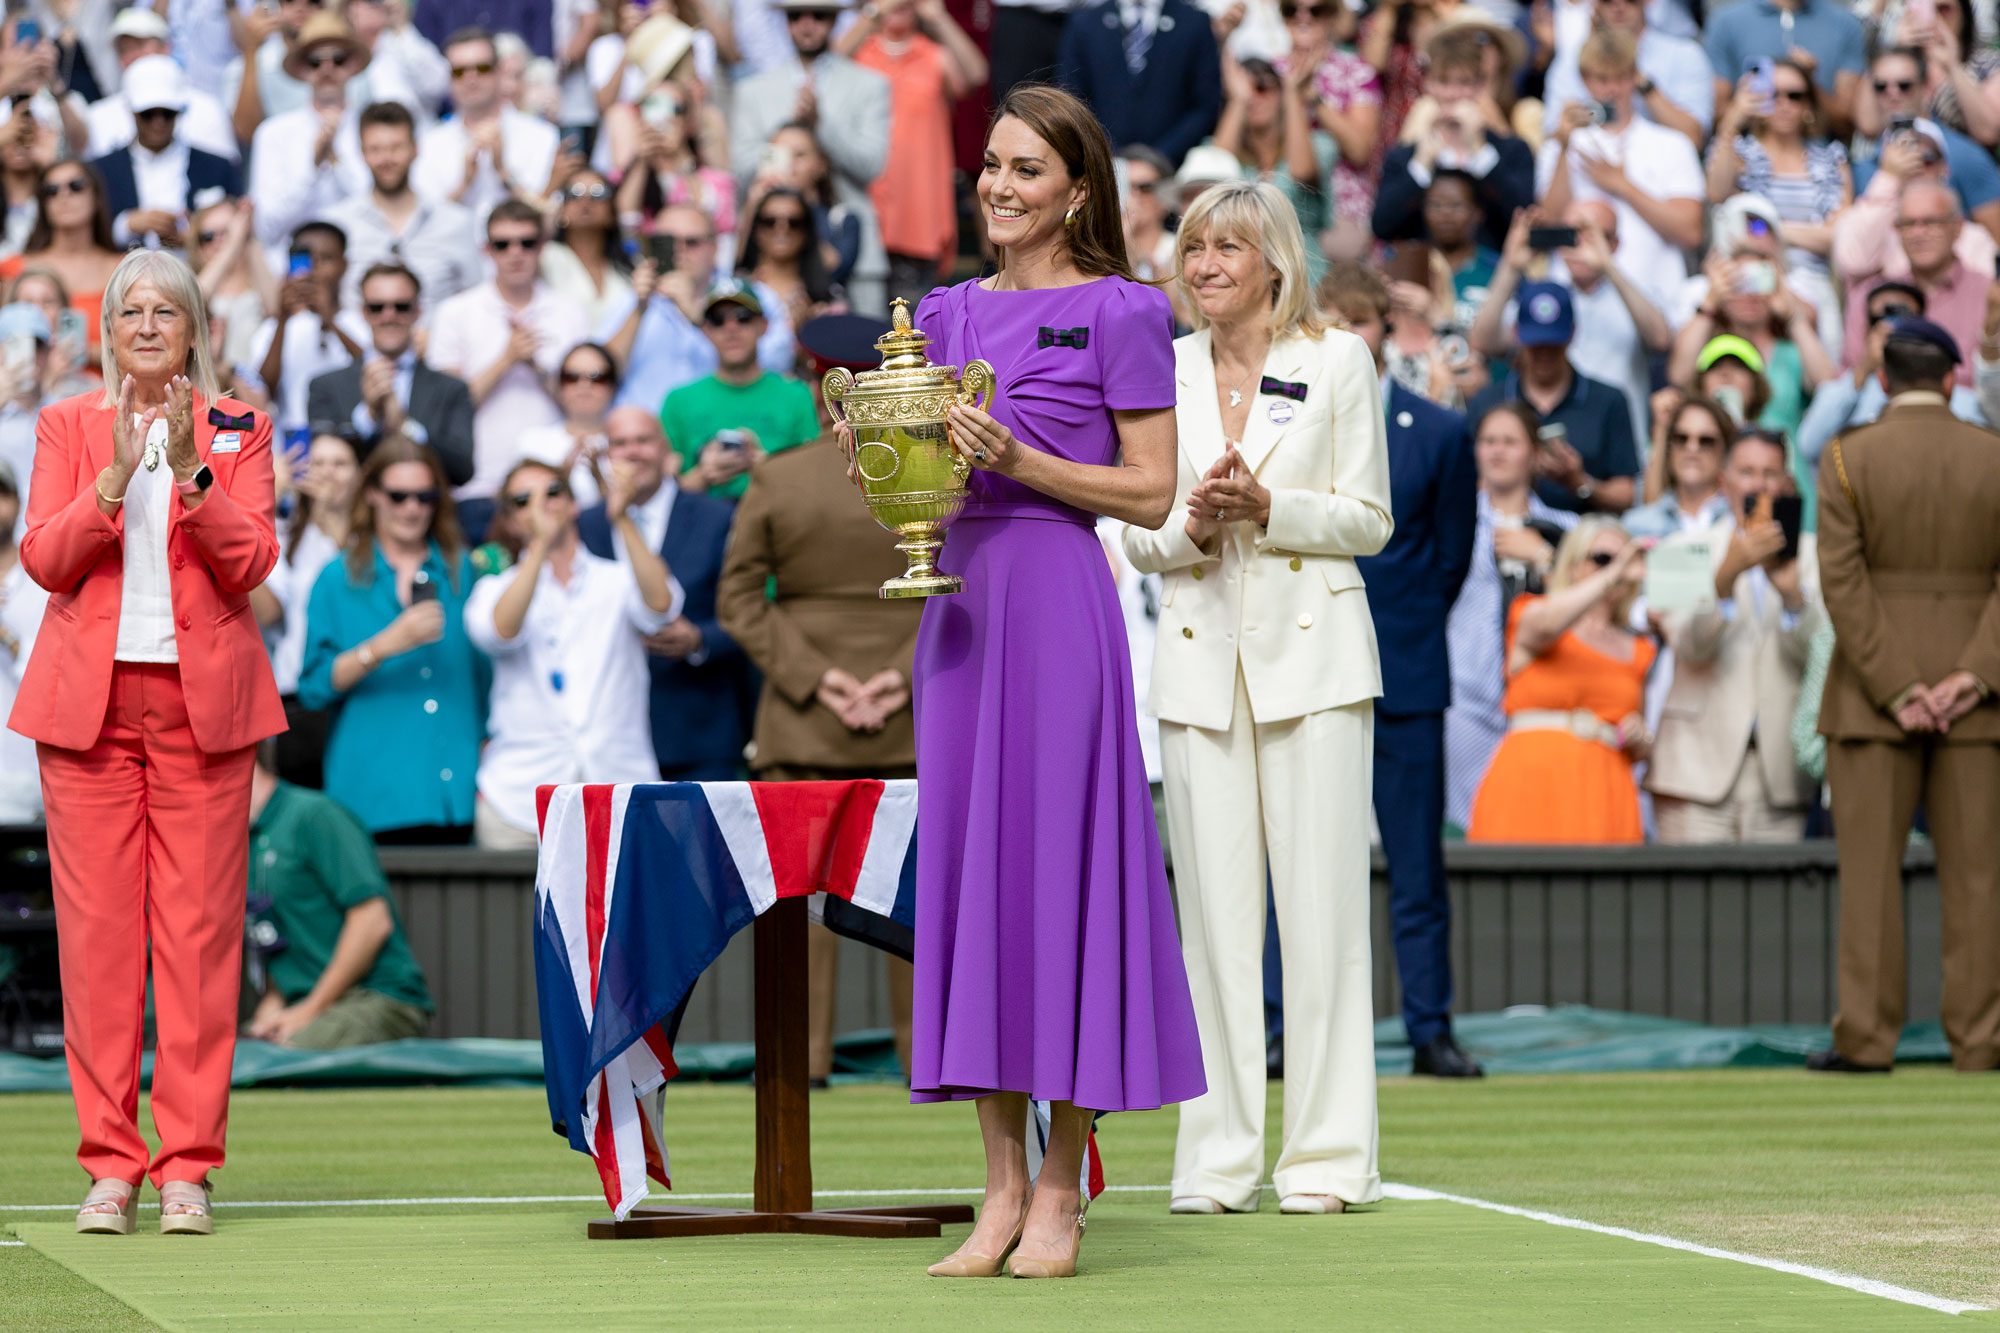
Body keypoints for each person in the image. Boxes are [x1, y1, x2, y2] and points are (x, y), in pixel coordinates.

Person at [886, 84, 1201, 1280]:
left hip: (1062, 604)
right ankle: (998, 1186)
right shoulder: (946, 311)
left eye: (1026, 170)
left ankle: (1064, 1183)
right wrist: (915, 478)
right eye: (990, 167)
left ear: (1078, 187)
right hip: (956, 607)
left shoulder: (1124, 309)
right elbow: (920, 480)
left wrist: (1019, 456)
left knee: (1066, 878)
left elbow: (1149, 491)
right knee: (973, 886)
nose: (1000, 188)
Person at [1123, 181, 1389, 1214]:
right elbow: (1134, 532)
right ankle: (1217, 1159)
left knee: (1321, 921)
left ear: (1274, 262)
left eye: (1226, 247)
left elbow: (1369, 518)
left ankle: (1325, 1160)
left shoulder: (1337, 359)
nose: (1205, 267)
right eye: (1192, 248)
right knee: (1213, 933)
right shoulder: (1163, 367)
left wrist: (1270, 507)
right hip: (1198, 665)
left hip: (1315, 663)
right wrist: (1190, 524)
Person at [10, 248, 284, 1236]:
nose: (149, 324)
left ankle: (187, 1167)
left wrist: (196, 473)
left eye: (168, 309)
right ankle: (111, 1165)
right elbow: (43, 557)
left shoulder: (239, 426)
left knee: (201, 943)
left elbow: (253, 557)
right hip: (88, 710)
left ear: (196, 325)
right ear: (109, 327)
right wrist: (117, 478)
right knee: (95, 949)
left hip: (200, 707)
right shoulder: (65, 424)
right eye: (132, 309)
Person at [718, 311, 921, 1080]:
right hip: (912, 718)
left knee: (800, 905)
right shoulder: (927, 468)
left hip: (804, 723)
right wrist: (901, 675)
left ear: (816, 383)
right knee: (915, 900)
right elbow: (963, 588)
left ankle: (800, 1062)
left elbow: (737, 600)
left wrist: (816, 679)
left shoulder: (779, 475)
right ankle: (923, 1057)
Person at [1811, 318, 2000, 1074]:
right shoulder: (1992, 456)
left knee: (1868, 880)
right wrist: (1972, 675)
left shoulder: (1847, 457)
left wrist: (1898, 684)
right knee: (1981, 879)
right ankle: (1982, 1042)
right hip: (1977, 702)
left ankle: (1865, 1037)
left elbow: (1842, 584)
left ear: (1882, 379)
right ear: (1952, 379)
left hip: (1870, 697)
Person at [1326, 263, 1481, 1077]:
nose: (1352, 337)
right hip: (1313, 669)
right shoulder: (1296, 427)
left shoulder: (1443, 432)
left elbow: (1450, 559)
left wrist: (1403, 635)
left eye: (1364, 321)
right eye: (1335, 322)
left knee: (1417, 865)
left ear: (1388, 329)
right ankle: (1284, 1034)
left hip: (1408, 673)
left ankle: (1430, 1028)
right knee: (1303, 863)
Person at [464, 455, 685, 848]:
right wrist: (538, 546)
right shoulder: (493, 589)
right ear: (510, 520)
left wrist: (621, 519)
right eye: (522, 500)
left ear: (573, 503)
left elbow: (662, 606)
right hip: (520, 800)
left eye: (552, 492)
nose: (541, 505)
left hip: (621, 791)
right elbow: (501, 630)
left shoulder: (616, 579)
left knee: (624, 911)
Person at [297, 435, 485, 844]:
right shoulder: (336, 578)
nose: (412, 508)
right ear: (373, 496)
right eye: (399, 496)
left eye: (424, 496)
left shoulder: (463, 571)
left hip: (456, 792)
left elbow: (487, 677)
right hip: (371, 797)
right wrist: (383, 646)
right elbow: (312, 687)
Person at [1647, 430, 1822, 843]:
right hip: (1693, 772)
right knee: (1687, 905)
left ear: (1787, 484)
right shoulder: (1679, 548)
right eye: (1747, 472)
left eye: (1770, 473)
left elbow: (1823, 657)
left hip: (1780, 776)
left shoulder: (1816, 555)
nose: (1759, 484)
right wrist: (1724, 579)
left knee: (1776, 908)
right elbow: (1689, 647)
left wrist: (1792, 594)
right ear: (1724, 483)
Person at [577, 407, 749, 782]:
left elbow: (750, 611)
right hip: (607, 742)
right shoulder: (585, 525)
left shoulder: (717, 516)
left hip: (697, 730)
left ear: (666, 449)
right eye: (620, 444)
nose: (632, 452)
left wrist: (700, 639)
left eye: (643, 440)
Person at [1465, 519, 1654, 843]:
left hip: (1605, 789)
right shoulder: (1534, 612)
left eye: (1626, 560)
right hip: (1531, 781)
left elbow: (1637, 729)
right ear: (1574, 565)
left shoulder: (1640, 648)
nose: (1617, 569)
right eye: (1603, 559)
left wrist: (1640, 740)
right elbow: (1546, 624)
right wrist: (1612, 576)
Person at [243, 743, 435, 1048]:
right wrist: (276, 1003)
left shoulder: (314, 815)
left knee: (281, 1059)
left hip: (379, 999)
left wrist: (308, 1009)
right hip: (309, 1007)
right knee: (231, 1061)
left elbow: (372, 921)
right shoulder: (240, 837)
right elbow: (281, 932)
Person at [1444, 402, 1579, 830]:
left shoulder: (1566, 527)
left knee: (1535, 824)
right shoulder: (1450, 519)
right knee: (1467, 823)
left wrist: (1544, 556)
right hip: (1467, 694)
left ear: (1534, 454)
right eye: (1488, 441)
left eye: (1510, 441)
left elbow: (1594, 604)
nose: (1498, 452)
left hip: (1541, 701)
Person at [427, 200, 590, 513]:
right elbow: (444, 411)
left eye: (527, 243)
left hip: (552, 480)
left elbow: (584, 405)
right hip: (478, 483)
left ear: (542, 247)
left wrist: (536, 367)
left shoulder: (570, 312)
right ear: (487, 250)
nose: (516, 253)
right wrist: (507, 359)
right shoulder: (456, 312)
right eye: (503, 244)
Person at [729, 0, 891, 315]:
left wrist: (822, 126)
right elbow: (742, 168)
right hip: (773, 250)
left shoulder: (870, 84)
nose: (807, 24)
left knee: (869, 355)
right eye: (795, 15)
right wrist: (787, 148)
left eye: (819, 15)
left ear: (834, 21)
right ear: (784, 22)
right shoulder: (753, 90)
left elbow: (872, 164)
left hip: (855, 255)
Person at [1473, 203, 1669, 449]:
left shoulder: (1633, 293)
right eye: (1572, 235)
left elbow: (1660, 339)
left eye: (1597, 236)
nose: (1583, 245)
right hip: (1548, 443)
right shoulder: (1546, 295)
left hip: (1617, 446)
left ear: (1615, 243)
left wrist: (1608, 266)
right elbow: (1483, 341)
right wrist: (1510, 266)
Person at [1538, 29, 1703, 318]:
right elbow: (1549, 225)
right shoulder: (1561, 144)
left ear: (1634, 78)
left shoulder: (1672, 144)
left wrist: (1621, 184)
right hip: (1577, 306)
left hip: (1655, 302)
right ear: (1585, 80)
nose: (1611, 89)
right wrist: (1564, 147)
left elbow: (1690, 232)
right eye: (1601, 79)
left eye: (1620, 77)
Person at [841, 0, 987, 307]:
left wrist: (939, 18)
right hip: (867, 213)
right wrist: (874, 13)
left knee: (913, 339)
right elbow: (827, 66)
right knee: (863, 338)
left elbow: (975, 74)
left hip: (918, 219)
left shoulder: (932, 54)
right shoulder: (860, 53)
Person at [600, 203, 799, 416]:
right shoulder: (630, 300)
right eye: (667, 243)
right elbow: (598, 375)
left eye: (691, 242)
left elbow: (777, 363)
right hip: (646, 439)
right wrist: (639, 310)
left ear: (715, 248)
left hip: (727, 428)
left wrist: (699, 316)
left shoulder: (754, 295)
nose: (679, 252)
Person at [1705, 59, 1851, 343]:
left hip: (1811, 282)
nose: (1783, 103)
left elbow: (1839, 234)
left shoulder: (1832, 158)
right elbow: (1716, 193)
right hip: (1747, 279)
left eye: (1794, 96)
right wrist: (1732, 122)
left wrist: (1771, 231)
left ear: (1808, 105)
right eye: (1773, 94)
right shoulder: (1740, 151)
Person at [1466, 279, 1641, 514]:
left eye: (1553, 343)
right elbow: (1464, 481)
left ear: (1572, 333)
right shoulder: (1488, 402)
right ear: (1516, 334)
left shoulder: (1609, 401)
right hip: (1501, 533)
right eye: (1536, 343)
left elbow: (1628, 494)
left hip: (1583, 537)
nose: (1544, 353)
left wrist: (1579, 482)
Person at [305, 262, 477, 486]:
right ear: (364, 313)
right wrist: (368, 416)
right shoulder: (325, 386)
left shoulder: (452, 389)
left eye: (401, 306)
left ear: (418, 311)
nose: (389, 316)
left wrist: (406, 427)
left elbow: (462, 470)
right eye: (377, 307)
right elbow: (322, 466)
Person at [1372, 28, 1536, 252]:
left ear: (1480, 86)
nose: (1452, 93)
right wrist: (1421, 165)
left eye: (1463, 82)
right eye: (1443, 81)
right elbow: (1382, 226)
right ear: (1427, 84)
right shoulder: (1403, 157)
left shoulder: (1511, 150)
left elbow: (1523, 219)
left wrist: (1480, 153)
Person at [259, 430, 360, 790]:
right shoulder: (283, 538)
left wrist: (327, 516)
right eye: (316, 463)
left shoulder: (374, 540)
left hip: (356, 697)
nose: (327, 472)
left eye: (339, 463)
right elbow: (267, 611)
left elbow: (354, 588)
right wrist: (267, 500)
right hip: (296, 703)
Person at [1799, 278, 1989, 466]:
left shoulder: (1953, 394)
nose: (1891, 328)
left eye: (1907, 319)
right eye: (1879, 319)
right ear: (1867, 331)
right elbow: (1808, 445)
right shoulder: (1846, 390)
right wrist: (1863, 370)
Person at [659, 282, 819, 501]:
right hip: (702, 523)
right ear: (705, 329)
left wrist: (763, 465)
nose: (731, 328)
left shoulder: (797, 395)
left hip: (776, 521)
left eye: (743, 317)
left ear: (764, 325)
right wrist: (704, 473)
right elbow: (662, 500)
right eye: (718, 320)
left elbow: (812, 482)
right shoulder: (678, 401)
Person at [321, 101, 482, 314]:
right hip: (359, 345)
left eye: (396, 147)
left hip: (437, 344)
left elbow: (477, 300)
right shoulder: (337, 224)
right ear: (362, 153)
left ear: (415, 149)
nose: (386, 159)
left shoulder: (455, 222)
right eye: (376, 149)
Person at [245, 13, 377, 259]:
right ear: (303, 69)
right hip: (293, 270)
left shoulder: (372, 126)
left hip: (362, 263)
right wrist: (312, 166)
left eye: (338, 59)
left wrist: (336, 160)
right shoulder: (274, 133)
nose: (327, 69)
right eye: (316, 62)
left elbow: (380, 211)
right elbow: (266, 228)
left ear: (353, 65)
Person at [1837, 179, 1986, 389]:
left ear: (1957, 227)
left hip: (1962, 413)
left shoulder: (1987, 295)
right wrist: (1868, 363)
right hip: (1886, 411)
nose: (1918, 233)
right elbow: (1846, 379)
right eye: (1908, 224)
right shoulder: (1871, 296)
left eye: (1930, 222)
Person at [86, 56, 240, 251]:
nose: (158, 122)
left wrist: (193, 239)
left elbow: (239, 227)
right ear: (132, 112)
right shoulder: (101, 170)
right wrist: (127, 225)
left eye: (167, 113)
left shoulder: (218, 167)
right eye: (148, 114)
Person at [414, 27, 561, 227]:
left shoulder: (541, 137)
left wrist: (503, 173)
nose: (470, 78)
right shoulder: (429, 143)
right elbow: (422, 226)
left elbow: (552, 218)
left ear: (500, 71)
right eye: (459, 71)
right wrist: (463, 184)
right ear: (449, 78)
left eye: (481, 68)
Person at [1850, 48, 2000, 239]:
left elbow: (1995, 240)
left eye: (1904, 85)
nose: (1892, 93)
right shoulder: (1865, 164)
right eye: (1881, 87)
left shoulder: (1966, 155)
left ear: (1925, 87)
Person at [1058, 0, 1224, 170]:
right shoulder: (1084, 22)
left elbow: (1205, 105)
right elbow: (1072, 99)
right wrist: (1108, 155)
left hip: (1172, 170)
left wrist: (1160, 157)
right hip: (1102, 168)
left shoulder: (1194, 22)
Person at [247, 221, 367, 441]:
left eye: (326, 258)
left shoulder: (359, 322)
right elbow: (263, 391)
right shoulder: (273, 328)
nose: (315, 269)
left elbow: (369, 372)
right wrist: (282, 319)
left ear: (344, 265)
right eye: (306, 259)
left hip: (348, 435)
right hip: (294, 437)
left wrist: (329, 319)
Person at [0, 161, 122, 366]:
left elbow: (142, 347)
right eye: (51, 190)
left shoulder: (125, 269)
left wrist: (82, 351)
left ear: (97, 196)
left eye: (76, 186)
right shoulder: (13, 268)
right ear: (43, 203)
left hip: (105, 392)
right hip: (29, 392)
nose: (64, 196)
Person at [1542, 0, 1713, 144]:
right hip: (1593, 167)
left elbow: (1693, 137)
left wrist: (1640, 81)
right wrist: (1580, 116)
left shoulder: (1684, 53)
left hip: (1662, 172)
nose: (1619, 5)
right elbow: (1553, 140)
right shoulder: (1571, 60)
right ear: (1594, 4)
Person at [85, 9, 238, 163]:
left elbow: (224, 174)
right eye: (124, 49)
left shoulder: (208, 109)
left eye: (140, 45)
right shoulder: (99, 115)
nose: (133, 55)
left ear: (166, 47)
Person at [1702, 0, 1866, 134]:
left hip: (1819, 159)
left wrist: (1809, 82)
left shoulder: (1845, 24)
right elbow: (1716, 114)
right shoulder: (1727, 21)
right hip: (1746, 157)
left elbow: (1847, 123)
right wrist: (1744, 105)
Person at [0, 460, 50, 822]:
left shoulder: (44, 573)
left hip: (34, 776)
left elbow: (55, 671)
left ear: (17, 501)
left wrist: (7, 637)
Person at [188, 199, 277, 380]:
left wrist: (249, 238)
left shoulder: (259, 280)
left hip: (256, 393)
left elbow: (276, 308)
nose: (219, 242)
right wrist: (232, 243)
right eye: (209, 236)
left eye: (227, 233)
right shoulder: (192, 282)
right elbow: (193, 300)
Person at [1626, 391, 1735, 536]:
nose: (1692, 448)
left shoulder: (1741, 520)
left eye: (1706, 440)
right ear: (1669, 448)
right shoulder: (1636, 526)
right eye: (1681, 438)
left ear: (1726, 450)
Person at [539, 168, 634, 333]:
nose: (586, 201)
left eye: (598, 194)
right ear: (561, 209)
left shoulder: (630, 264)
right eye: (574, 194)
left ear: (612, 211)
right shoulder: (544, 257)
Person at [733, 186, 840, 333]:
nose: (782, 229)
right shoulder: (733, 289)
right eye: (769, 221)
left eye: (794, 222)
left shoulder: (826, 302)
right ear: (756, 229)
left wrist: (807, 332)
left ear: (806, 231)